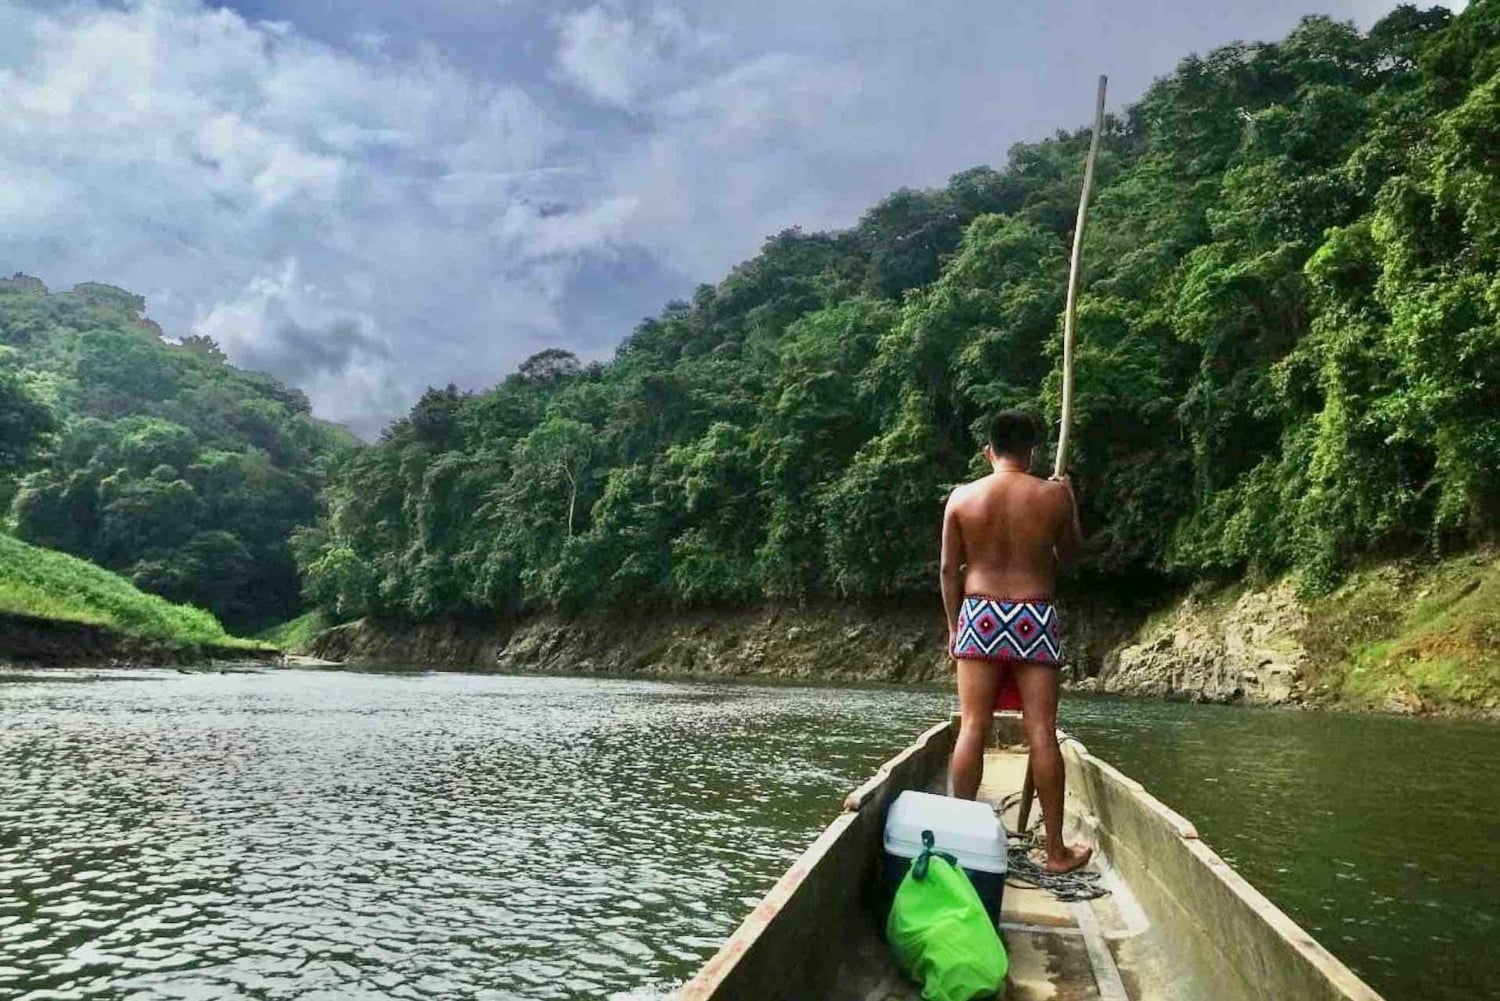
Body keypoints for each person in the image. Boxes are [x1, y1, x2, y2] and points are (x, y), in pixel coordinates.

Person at [939, 408, 1091, 875]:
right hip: (1034, 613)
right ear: (1033, 452)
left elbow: (947, 570)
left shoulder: (961, 497)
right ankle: (1056, 852)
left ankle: (957, 844)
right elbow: (1071, 557)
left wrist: (954, 628)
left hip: (979, 613)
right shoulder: (1052, 495)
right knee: (1042, 730)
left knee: (973, 726)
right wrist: (1070, 501)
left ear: (989, 451)